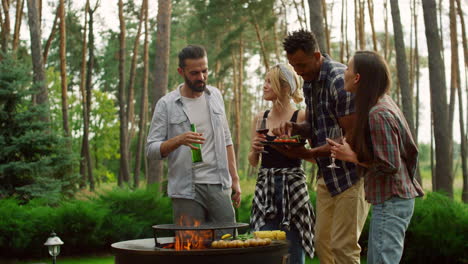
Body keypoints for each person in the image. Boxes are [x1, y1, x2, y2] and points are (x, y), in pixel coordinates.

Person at [272, 29, 369, 264]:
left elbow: (350, 139)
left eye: (302, 65)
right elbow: (317, 126)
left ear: (317, 56)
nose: (298, 71)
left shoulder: (338, 80)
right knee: (322, 244)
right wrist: (295, 128)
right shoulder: (309, 82)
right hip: (328, 175)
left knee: (343, 247)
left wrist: (308, 154)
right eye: (294, 66)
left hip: (352, 176)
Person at [327, 51, 425, 264]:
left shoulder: (377, 113)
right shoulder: (382, 103)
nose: (344, 72)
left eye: (349, 68)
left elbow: (389, 165)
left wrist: (352, 157)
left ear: (358, 77)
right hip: (391, 200)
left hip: (391, 201)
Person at [146, 45, 241, 230]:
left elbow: (226, 139)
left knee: (229, 246)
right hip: (185, 191)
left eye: (205, 71)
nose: (201, 77)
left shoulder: (216, 96)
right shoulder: (166, 104)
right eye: (194, 73)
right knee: (190, 251)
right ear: (181, 72)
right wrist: (178, 140)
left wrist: (235, 179)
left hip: (219, 184)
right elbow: (151, 150)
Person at [248, 63, 315, 264]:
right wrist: (254, 150)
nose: (264, 86)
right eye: (265, 81)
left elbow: (314, 156)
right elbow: (253, 162)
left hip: (293, 187)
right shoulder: (261, 118)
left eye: (270, 81)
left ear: (285, 87)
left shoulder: (301, 116)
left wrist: (294, 150)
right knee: (264, 251)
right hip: (265, 188)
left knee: (293, 250)